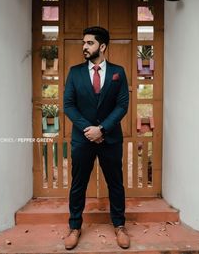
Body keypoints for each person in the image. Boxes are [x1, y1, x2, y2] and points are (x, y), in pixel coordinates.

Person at [63, 26, 130, 250]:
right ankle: (74, 227)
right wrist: (89, 130)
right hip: (83, 140)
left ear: (102, 46)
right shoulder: (75, 72)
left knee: (115, 183)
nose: (84, 46)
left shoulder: (118, 72)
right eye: (84, 42)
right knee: (78, 184)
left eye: (89, 43)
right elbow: (69, 106)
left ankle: (120, 225)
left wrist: (102, 129)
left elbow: (122, 105)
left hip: (110, 139)